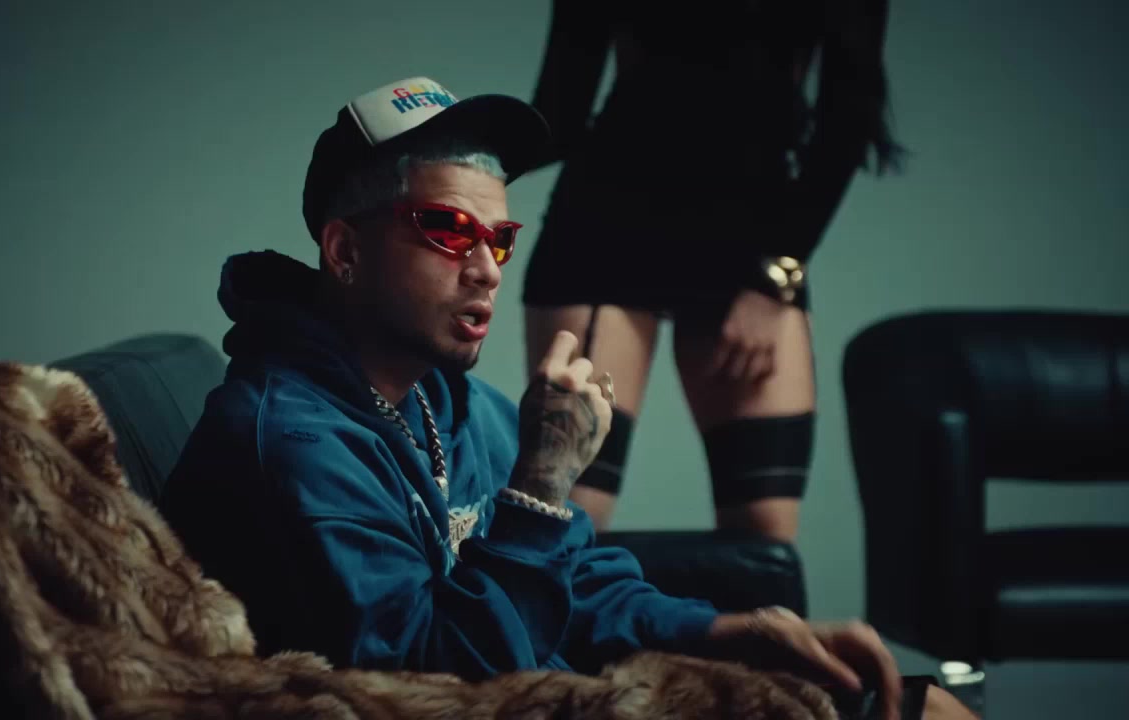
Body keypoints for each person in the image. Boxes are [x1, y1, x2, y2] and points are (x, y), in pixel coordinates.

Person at [158, 76, 969, 720]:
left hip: (563, 691)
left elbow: (576, 577)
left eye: (500, 238)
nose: (487, 269)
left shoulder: (448, 401)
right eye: (448, 229)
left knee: (917, 700)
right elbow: (426, 686)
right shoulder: (289, 440)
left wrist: (733, 633)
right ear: (344, 251)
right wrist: (542, 483)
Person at [522, 0, 906, 537]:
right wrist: (454, 160)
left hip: (754, 242)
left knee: (764, 534)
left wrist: (772, 282)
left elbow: (848, 115)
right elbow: (560, 109)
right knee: (570, 513)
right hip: (606, 223)